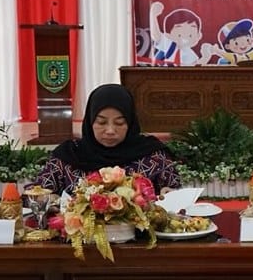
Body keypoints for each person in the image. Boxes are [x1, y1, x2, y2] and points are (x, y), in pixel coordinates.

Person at [32, 84, 181, 196]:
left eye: (119, 123)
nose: (110, 131)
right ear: (90, 122)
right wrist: (47, 200)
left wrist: (169, 195)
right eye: (102, 122)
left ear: (130, 123)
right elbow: (33, 194)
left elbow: (176, 193)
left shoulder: (153, 156)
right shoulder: (68, 156)